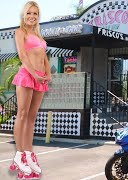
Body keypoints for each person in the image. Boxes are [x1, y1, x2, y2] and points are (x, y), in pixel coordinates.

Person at [10, 1, 51, 178]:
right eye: (29, 13)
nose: (32, 17)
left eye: (35, 14)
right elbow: (22, 55)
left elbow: (45, 58)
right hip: (27, 76)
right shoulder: (20, 32)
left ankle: (28, 153)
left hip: (40, 78)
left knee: (32, 118)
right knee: (23, 114)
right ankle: (19, 155)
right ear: (24, 15)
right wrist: (34, 74)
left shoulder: (40, 37)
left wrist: (47, 74)